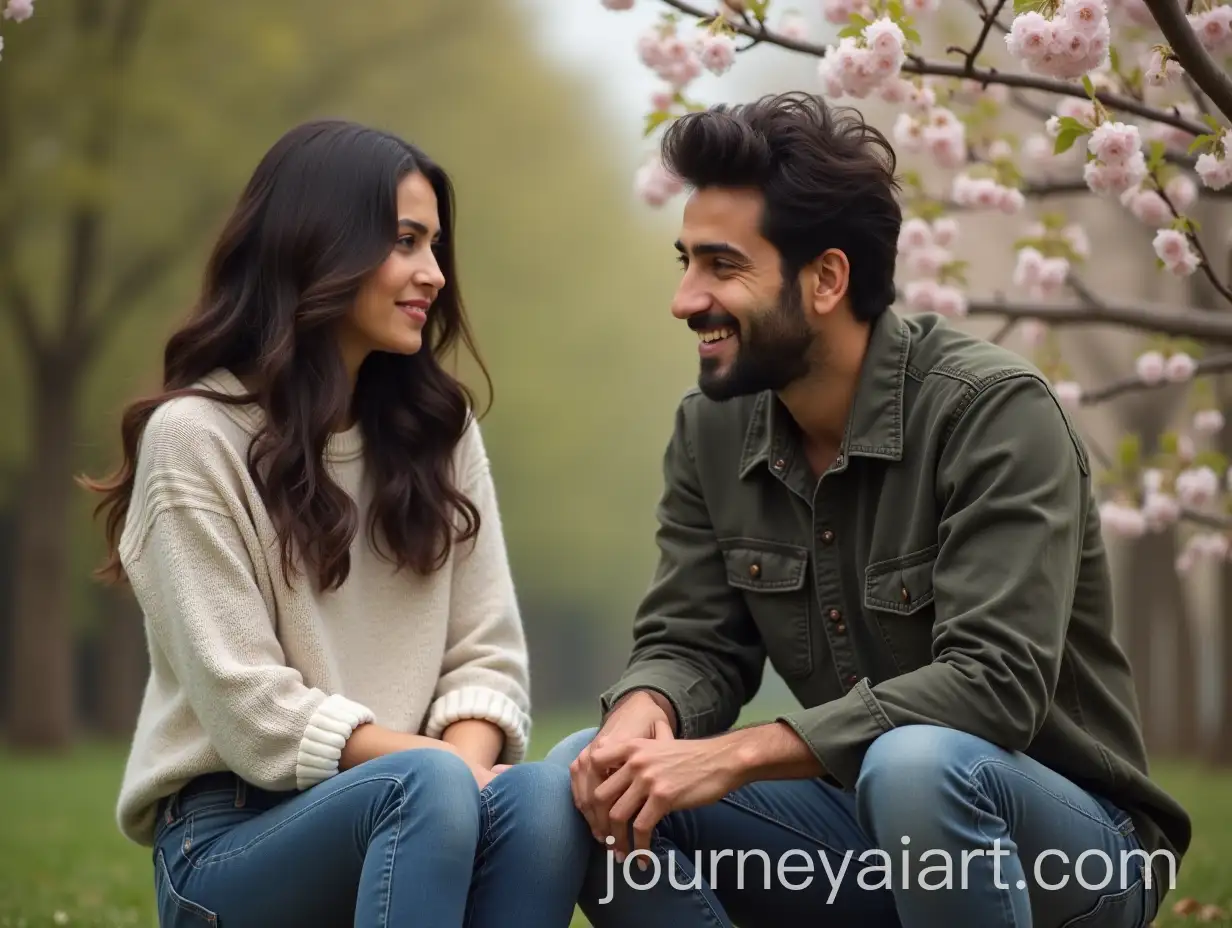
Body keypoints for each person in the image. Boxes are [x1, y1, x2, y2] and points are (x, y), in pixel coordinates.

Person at [546, 92, 1191, 928]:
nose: (685, 299)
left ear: (827, 279)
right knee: (596, 775)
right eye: (685, 262)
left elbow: (994, 683)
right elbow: (693, 641)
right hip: (859, 836)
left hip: (1070, 850)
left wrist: (741, 753)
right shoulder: (709, 430)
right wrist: (648, 708)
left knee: (913, 765)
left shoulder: (992, 413)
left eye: (722, 266)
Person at [81, 119, 590, 928]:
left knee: (543, 800)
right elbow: (250, 708)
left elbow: (485, 657)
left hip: (423, 810)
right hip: (228, 840)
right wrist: (439, 775)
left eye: (435, 246)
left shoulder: (440, 432)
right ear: (317, 246)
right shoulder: (194, 438)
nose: (434, 274)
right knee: (428, 786)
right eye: (406, 242)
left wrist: (458, 780)